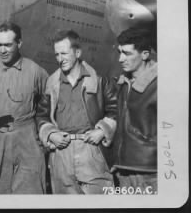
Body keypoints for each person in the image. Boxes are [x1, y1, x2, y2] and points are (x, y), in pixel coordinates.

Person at [37, 29, 117, 194]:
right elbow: (41, 115)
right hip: (61, 152)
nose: (60, 59)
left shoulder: (100, 81)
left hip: (91, 150)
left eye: (64, 53)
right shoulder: (51, 84)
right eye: (57, 55)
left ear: (78, 53)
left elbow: (115, 110)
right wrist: (51, 135)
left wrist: (102, 131)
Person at [0, 21, 48, 194]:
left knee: (30, 194)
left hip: (27, 141)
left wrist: (43, 137)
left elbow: (48, 106)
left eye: (8, 45)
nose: (3, 50)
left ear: (19, 44)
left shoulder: (36, 71)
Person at [111, 27, 157, 192]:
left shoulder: (161, 84)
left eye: (127, 53)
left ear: (145, 54)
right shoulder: (125, 83)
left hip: (150, 174)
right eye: (119, 52)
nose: (120, 59)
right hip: (124, 170)